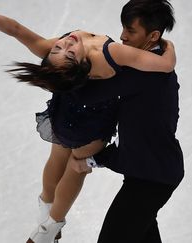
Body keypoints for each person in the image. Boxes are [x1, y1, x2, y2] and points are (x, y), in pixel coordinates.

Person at [0, 0, 177, 242]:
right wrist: (168, 44)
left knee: (57, 159)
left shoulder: (60, 56)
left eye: (61, 48)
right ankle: (48, 230)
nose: (67, 43)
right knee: (75, 167)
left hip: (65, 111)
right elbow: (166, 64)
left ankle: (45, 216)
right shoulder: (113, 54)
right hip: (92, 120)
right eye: (67, 51)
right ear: (82, 66)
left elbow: (17, 30)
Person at [70, 0, 184, 242]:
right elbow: (136, 142)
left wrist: (60, 68)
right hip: (152, 173)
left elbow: (87, 95)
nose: (122, 36)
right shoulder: (153, 66)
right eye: (123, 27)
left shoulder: (141, 75)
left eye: (131, 31)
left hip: (151, 178)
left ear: (153, 36)